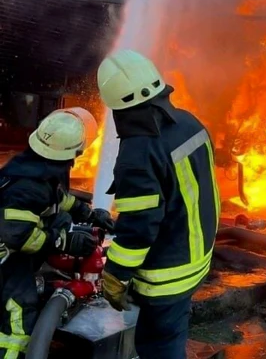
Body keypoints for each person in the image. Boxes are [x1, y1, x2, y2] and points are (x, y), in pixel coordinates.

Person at [97, 49, 220, 359]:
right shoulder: (189, 123)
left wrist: (115, 275)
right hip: (197, 258)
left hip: (165, 278)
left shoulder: (138, 152)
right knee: (172, 335)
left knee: (157, 348)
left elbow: (139, 228)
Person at [0, 108, 114, 358]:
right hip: (6, 256)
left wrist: (90, 214)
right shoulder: (27, 187)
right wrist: (64, 241)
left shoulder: (35, 169)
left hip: (13, 249)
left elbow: (58, 200)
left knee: (60, 219)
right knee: (20, 310)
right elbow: (18, 235)